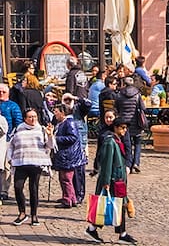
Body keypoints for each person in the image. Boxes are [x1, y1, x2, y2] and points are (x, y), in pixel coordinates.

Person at [85, 109, 135, 246]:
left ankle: (122, 233)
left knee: (119, 205)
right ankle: (92, 229)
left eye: (125, 128)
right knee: (106, 205)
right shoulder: (110, 142)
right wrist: (106, 182)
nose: (125, 131)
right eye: (122, 128)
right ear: (116, 128)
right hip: (112, 180)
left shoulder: (117, 140)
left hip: (118, 179)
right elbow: (106, 163)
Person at [9, 110, 51, 226]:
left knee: (33, 189)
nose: (33, 119)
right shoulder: (18, 129)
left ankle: (34, 215)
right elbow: (11, 145)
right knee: (18, 187)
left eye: (35, 117)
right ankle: (22, 213)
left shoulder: (42, 130)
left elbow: (50, 146)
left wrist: (50, 135)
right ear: (25, 118)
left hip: (36, 163)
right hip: (20, 162)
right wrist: (10, 158)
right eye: (30, 117)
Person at [54, 99, 89, 209]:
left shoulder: (69, 123)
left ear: (63, 112)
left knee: (66, 179)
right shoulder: (62, 123)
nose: (55, 114)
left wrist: (56, 139)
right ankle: (71, 197)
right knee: (64, 178)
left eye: (56, 112)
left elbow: (72, 137)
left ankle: (68, 199)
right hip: (65, 155)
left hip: (69, 156)